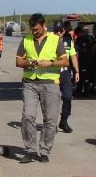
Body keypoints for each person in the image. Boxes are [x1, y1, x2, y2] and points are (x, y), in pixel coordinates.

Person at [16, 13, 69, 163]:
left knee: (50, 120)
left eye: (37, 30)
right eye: (33, 30)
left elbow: (65, 62)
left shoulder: (55, 40)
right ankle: (30, 150)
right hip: (30, 83)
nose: (35, 32)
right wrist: (28, 63)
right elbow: (18, 61)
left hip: (50, 83)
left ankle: (44, 150)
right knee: (28, 116)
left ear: (44, 25)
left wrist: (51, 63)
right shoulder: (26, 39)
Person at [56, 21, 79, 133]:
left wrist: (77, 71)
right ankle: (49, 123)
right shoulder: (49, 41)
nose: (58, 33)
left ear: (64, 30)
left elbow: (73, 56)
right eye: (56, 30)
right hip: (52, 73)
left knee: (68, 97)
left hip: (65, 73)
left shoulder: (68, 41)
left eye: (60, 30)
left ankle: (64, 120)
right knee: (51, 99)